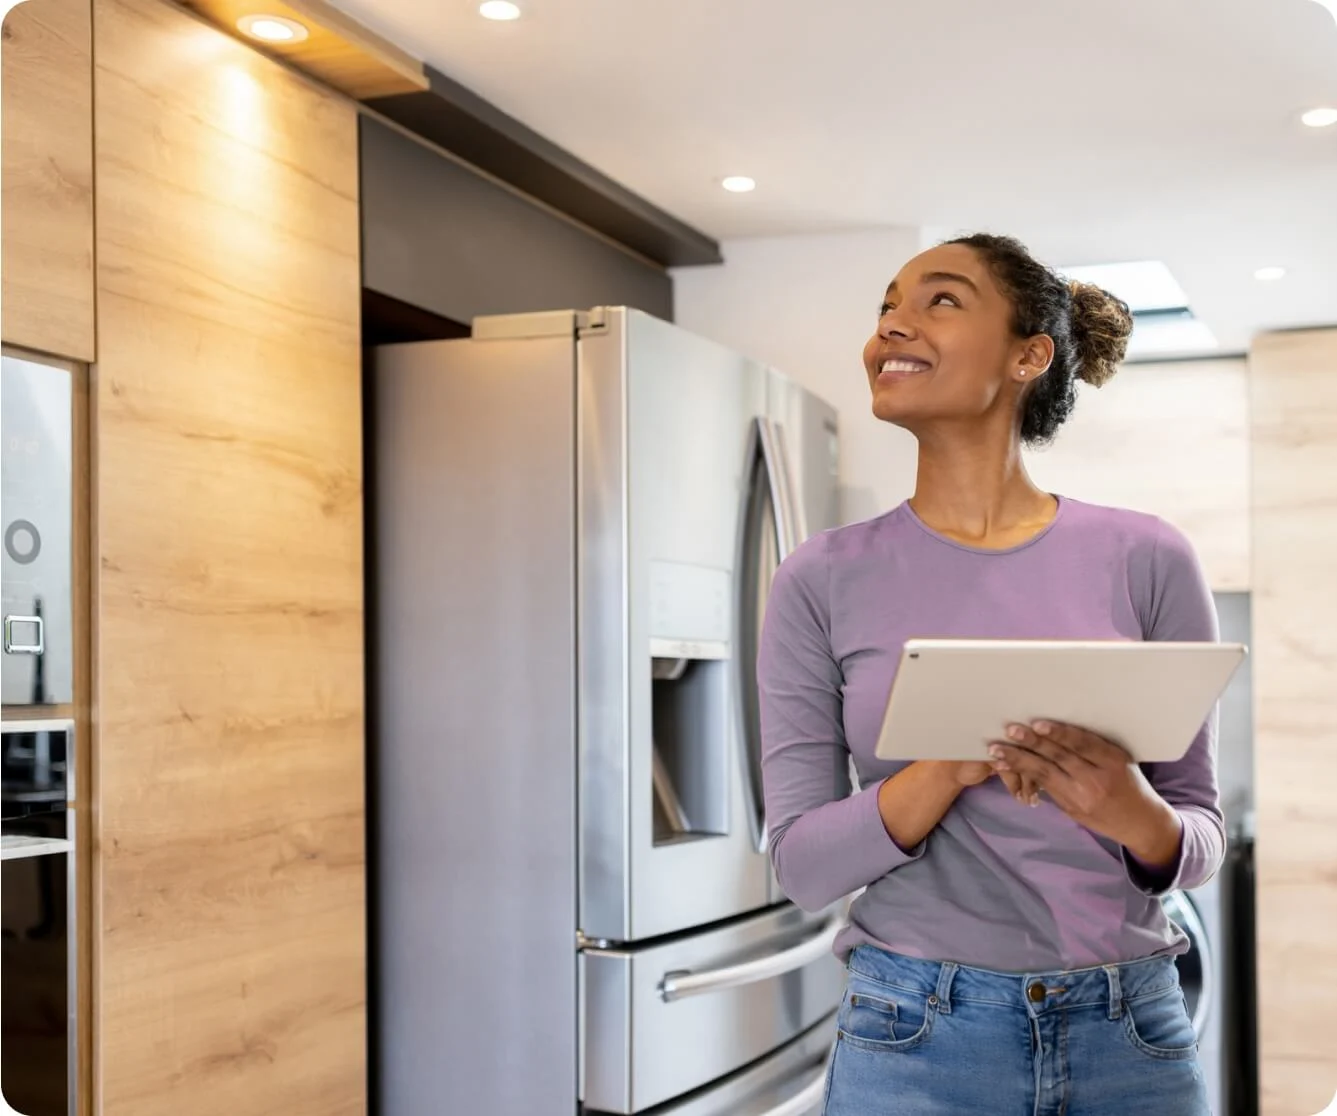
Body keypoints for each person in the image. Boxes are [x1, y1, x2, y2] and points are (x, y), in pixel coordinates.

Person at [757, 233, 1222, 1115]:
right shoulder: (819, 577)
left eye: (938, 300)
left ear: (1027, 356)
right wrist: (947, 765)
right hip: (912, 1035)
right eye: (886, 305)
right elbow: (801, 865)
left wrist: (1132, 814)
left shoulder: (1148, 557)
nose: (892, 322)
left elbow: (1198, 835)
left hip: (1129, 1030)